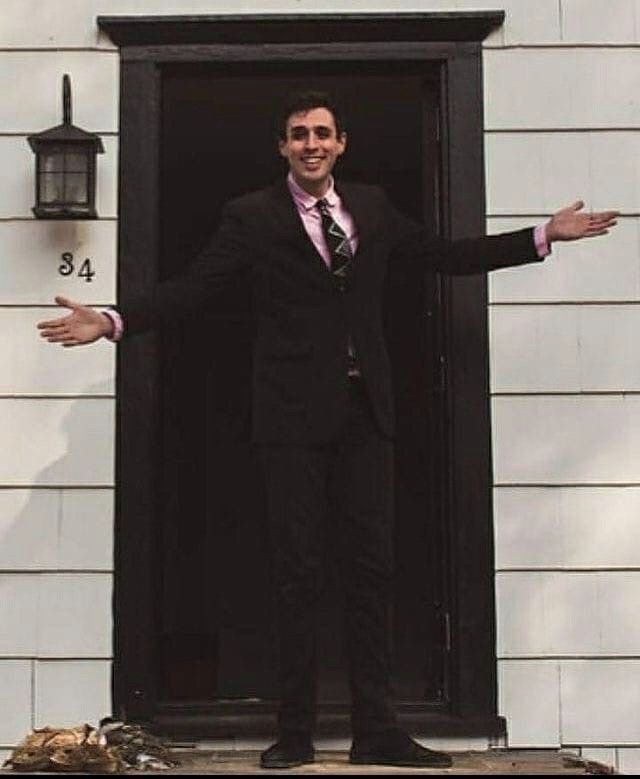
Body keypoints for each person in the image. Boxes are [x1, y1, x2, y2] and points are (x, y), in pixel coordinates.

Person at [38, 91, 618, 769]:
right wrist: (112, 319)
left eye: (322, 133)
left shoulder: (370, 207)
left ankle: (378, 729)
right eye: (297, 135)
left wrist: (542, 236)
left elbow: (444, 254)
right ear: (283, 148)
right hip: (289, 420)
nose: (311, 143)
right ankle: (293, 733)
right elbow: (194, 288)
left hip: (366, 414)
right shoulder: (250, 216)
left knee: (373, 570)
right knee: (297, 575)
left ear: (340, 143)